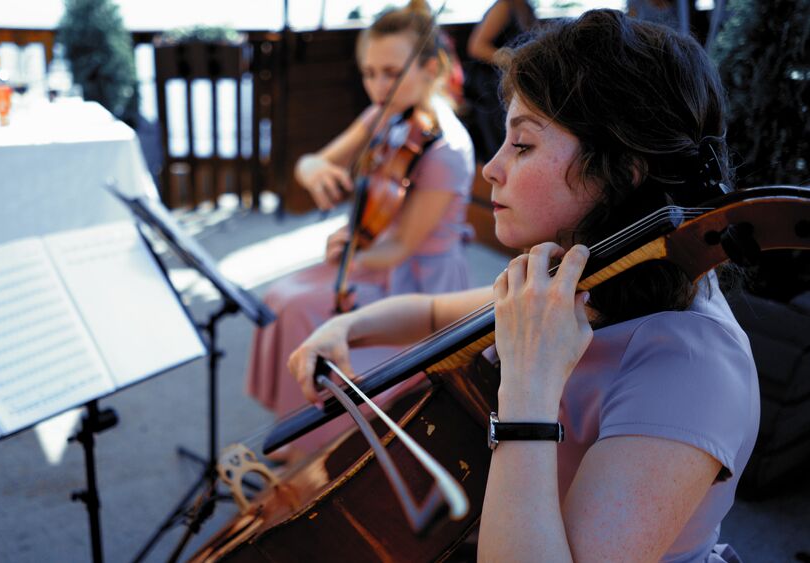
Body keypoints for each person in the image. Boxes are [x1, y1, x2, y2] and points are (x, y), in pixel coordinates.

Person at [288, 9, 756, 562]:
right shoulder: (576, 282)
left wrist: (529, 387)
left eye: (523, 145)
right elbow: (439, 312)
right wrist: (349, 325)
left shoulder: (690, 369)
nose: (490, 168)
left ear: (623, 169)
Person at [246, 0, 476, 460]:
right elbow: (314, 161)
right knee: (277, 298)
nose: (378, 86)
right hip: (372, 256)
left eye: (391, 72)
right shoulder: (382, 118)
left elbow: (400, 247)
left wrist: (350, 250)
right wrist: (313, 172)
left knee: (298, 306)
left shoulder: (447, 149)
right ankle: (298, 429)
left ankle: (311, 445)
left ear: (430, 68)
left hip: (416, 276)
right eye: (369, 73)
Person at [463, 0, 537, 164]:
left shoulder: (525, 8)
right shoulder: (504, 7)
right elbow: (476, 46)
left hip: (508, 87)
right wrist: (512, 59)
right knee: (498, 144)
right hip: (492, 91)